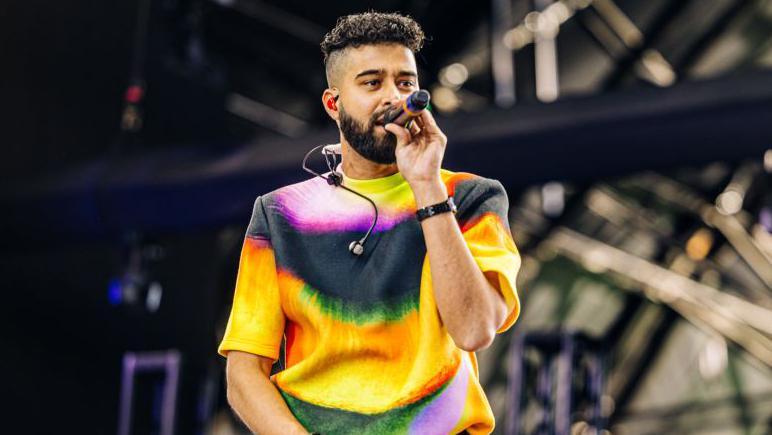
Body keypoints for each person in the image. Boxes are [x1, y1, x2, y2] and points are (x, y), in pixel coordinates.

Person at [218, 12, 521, 435]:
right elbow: (243, 374)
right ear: (332, 103)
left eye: (406, 82)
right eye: (372, 82)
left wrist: (427, 186)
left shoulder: (471, 198)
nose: (393, 97)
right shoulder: (281, 214)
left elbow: (474, 329)